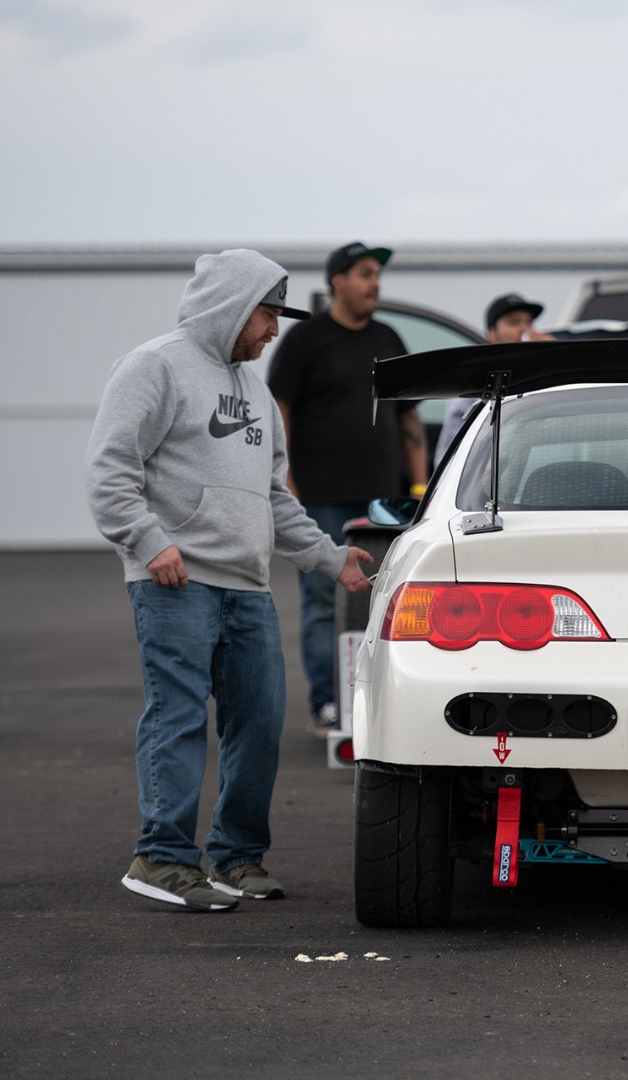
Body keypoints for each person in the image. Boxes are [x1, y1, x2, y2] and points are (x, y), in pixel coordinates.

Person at [85, 249, 373, 911]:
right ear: (235, 306)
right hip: (175, 581)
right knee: (179, 717)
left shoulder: (256, 394)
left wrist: (331, 558)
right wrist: (148, 541)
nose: (276, 329)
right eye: (270, 313)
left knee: (260, 721)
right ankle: (160, 857)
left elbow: (273, 498)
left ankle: (237, 858)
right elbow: (109, 471)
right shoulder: (154, 365)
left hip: (248, 586)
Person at [266, 242, 425, 737]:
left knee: (387, 600)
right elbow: (279, 411)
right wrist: (284, 482)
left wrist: (420, 484)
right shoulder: (306, 340)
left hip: (384, 499)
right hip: (320, 497)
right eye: (364, 273)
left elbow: (410, 414)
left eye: (376, 274)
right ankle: (329, 704)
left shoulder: (388, 337)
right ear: (338, 280)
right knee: (322, 600)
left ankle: (380, 702)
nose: (374, 282)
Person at [434, 292, 551, 455]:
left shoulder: (545, 372)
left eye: (529, 322)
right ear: (491, 333)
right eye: (514, 321)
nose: (525, 329)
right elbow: (450, 451)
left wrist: (551, 359)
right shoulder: (474, 383)